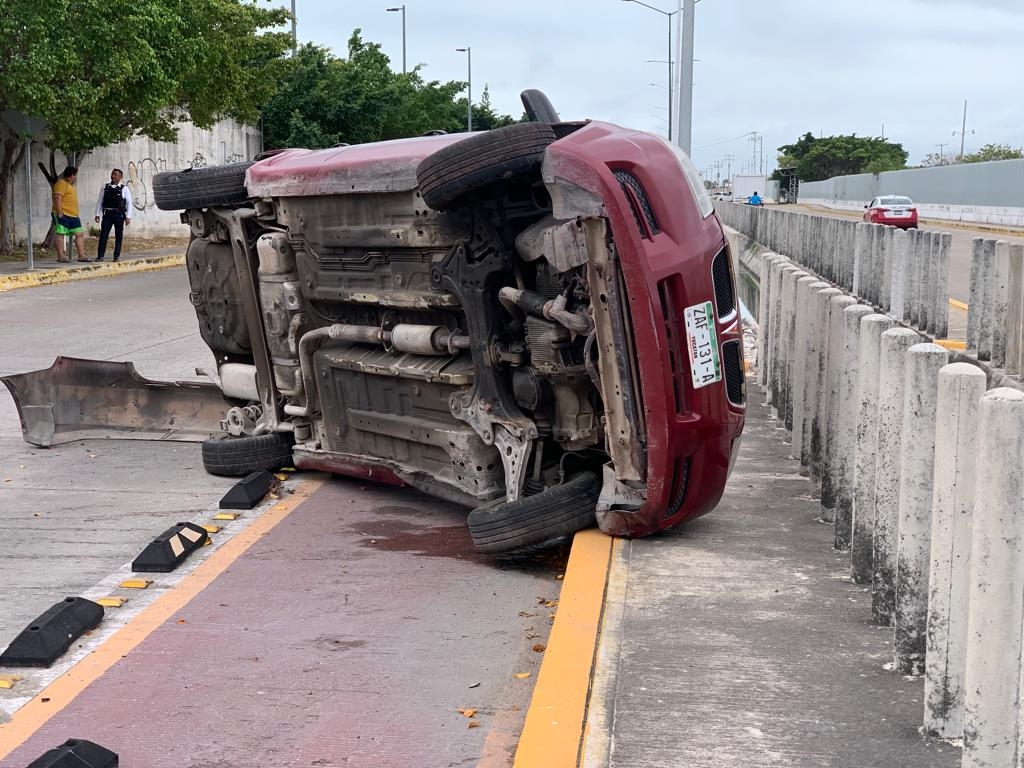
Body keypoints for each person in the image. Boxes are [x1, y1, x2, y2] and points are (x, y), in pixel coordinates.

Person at [94, 168, 133, 261]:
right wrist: (97, 213)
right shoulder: (105, 187)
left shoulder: (124, 189)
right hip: (107, 214)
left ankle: (116, 256)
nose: (113, 176)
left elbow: (129, 203)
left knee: (118, 235)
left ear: (120, 177)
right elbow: (100, 201)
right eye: (112, 174)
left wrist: (128, 216)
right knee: (104, 235)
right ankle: (100, 256)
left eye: (115, 175)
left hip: (119, 215)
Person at [52, 166, 89, 262]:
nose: (76, 177)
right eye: (75, 175)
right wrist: (60, 212)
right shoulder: (61, 183)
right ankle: (60, 256)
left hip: (73, 216)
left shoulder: (70, 186)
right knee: (60, 233)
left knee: (79, 234)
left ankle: (81, 255)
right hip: (63, 214)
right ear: (72, 175)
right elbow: (57, 197)